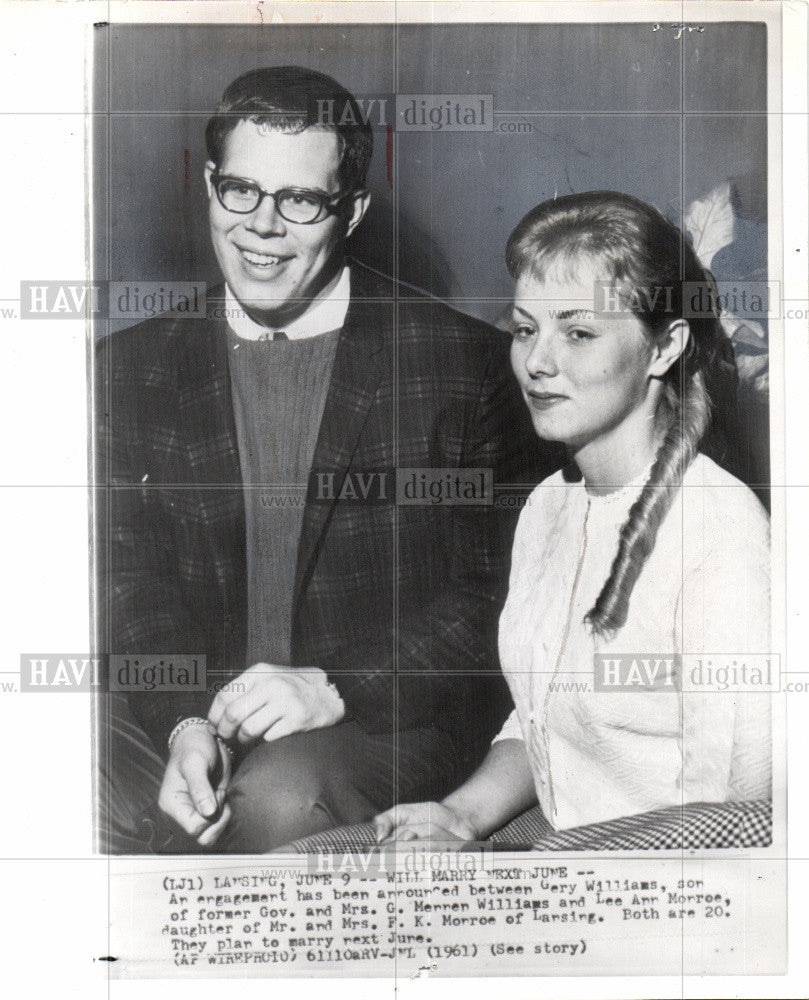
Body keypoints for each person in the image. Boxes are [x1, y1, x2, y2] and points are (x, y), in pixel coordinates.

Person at [95, 66, 557, 853]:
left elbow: (498, 600)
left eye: (301, 200)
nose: (261, 227)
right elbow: (130, 581)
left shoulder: (466, 366)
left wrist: (337, 686)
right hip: (185, 717)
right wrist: (183, 721)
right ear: (209, 185)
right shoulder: (127, 368)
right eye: (240, 189)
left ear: (351, 212)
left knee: (274, 801)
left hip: (379, 718)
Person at [374, 191, 772, 844]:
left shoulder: (719, 538)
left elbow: (733, 818)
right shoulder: (547, 508)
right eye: (526, 328)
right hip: (559, 848)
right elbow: (542, 715)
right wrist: (461, 813)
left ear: (664, 346)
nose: (536, 361)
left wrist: (555, 872)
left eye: (577, 332)